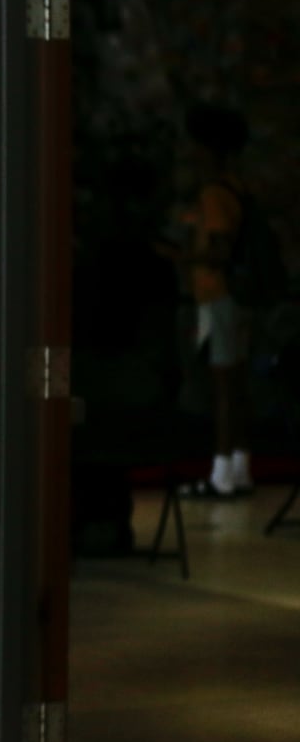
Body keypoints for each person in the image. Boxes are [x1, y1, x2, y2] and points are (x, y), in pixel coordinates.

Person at [170, 103, 254, 497]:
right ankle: (238, 466)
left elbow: (218, 251)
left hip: (219, 297)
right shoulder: (237, 186)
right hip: (234, 299)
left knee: (222, 385)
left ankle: (222, 473)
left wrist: (183, 256)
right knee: (234, 384)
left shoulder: (214, 194)